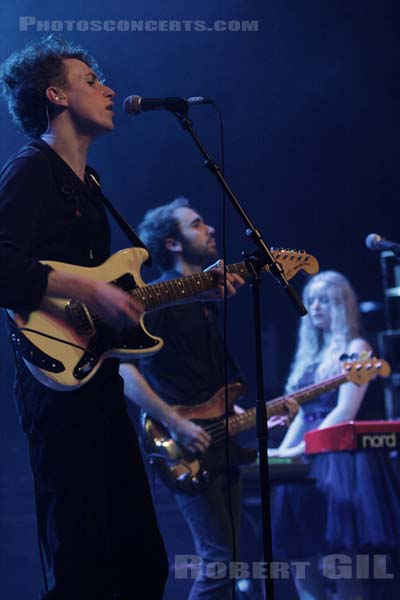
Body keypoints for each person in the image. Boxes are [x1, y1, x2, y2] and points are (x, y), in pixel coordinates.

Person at [0, 37, 243, 600]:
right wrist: (80, 283)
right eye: (91, 80)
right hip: (55, 391)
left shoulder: (91, 185)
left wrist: (198, 290)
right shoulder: (31, 170)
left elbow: (118, 297)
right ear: (55, 95)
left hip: (98, 381)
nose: (108, 88)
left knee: (140, 562)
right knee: (83, 563)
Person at [119, 197, 298, 600]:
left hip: (219, 441)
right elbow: (122, 367)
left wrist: (246, 417)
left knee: (237, 555)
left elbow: (206, 384)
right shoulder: (162, 298)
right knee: (220, 562)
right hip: (182, 445)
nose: (211, 229)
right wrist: (177, 422)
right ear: (172, 244)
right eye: (197, 224)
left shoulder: (206, 305)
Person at [269, 270, 373, 599]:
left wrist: (302, 448)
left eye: (324, 301)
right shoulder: (310, 354)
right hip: (304, 460)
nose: (315, 307)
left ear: (342, 305)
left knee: (339, 557)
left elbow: (344, 411)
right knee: (301, 556)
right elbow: (304, 412)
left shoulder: (357, 347)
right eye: (311, 300)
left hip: (335, 460)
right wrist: (284, 453)